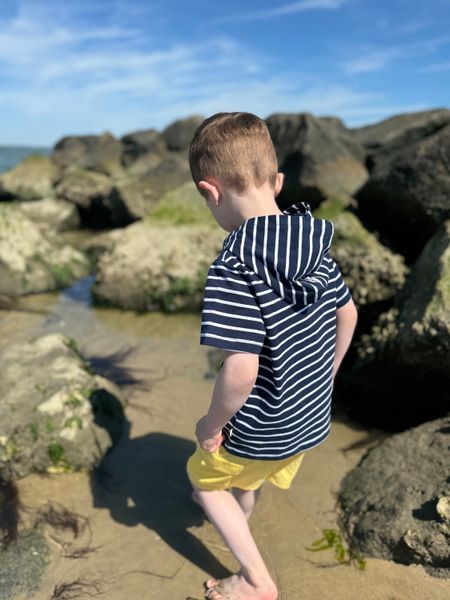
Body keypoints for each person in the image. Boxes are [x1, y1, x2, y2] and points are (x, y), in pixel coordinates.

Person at [185, 112, 358, 600]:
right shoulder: (314, 242)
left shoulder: (236, 262)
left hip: (262, 422)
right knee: (248, 477)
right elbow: (347, 315)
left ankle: (255, 580)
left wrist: (211, 424)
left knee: (203, 483)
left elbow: (241, 369)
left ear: (210, 192)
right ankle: (243, 511)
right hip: (309, 415)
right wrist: (326, 376)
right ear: (277, 182)